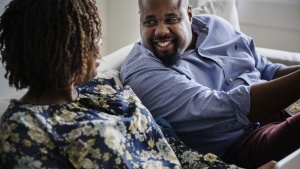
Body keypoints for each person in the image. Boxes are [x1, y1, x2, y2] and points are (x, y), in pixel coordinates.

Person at [0, 0, 278, 168]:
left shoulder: (104, 92)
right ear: (59, 49)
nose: (99, 47)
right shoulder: (23, 128)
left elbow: (176, 152)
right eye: (90, 38)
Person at [120, 0, 300, 168]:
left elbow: (267, 69)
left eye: (171, 19)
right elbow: (228, 108)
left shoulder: (215, 26)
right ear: (140, 19)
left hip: (278, 110)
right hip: (240, 145)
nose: (160, 31)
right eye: (150, 22)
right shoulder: (142, 72)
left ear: (189, 15)